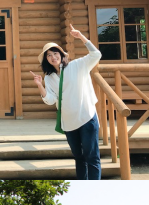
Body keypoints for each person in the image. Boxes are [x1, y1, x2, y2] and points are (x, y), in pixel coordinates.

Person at [31, 25, 102, 180]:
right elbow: (50, 100)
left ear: (61, 54)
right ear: (46, 60)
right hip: (68, 122)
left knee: (92, 157)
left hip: (86, 117)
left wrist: (81, 37)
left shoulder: (77, 65)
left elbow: (96, 54)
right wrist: (39, 85)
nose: (52, 57)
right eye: (48, 55)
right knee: (79, 158)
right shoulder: (49, 78)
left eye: (55, 53)